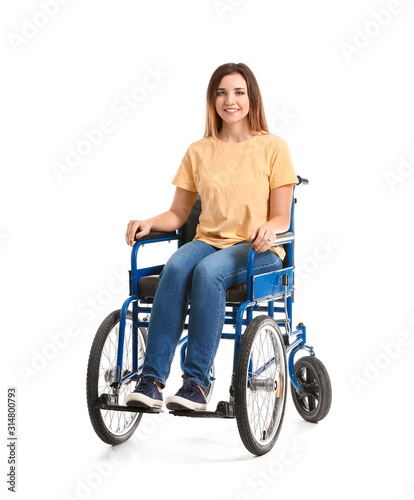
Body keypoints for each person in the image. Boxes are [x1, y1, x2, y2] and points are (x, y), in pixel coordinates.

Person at [124, 62, 298, 411]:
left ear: (251, 98)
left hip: (257, 248)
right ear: (212, 99)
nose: (229, 100)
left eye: (238, 92)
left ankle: (196, 385)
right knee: (175, 266)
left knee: (208, 273)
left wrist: (269, 227)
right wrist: (149, 221)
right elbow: (178, 214)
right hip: (207, 241)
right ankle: (152, 380)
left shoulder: (273, 147)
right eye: (221, 93)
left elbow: (282, 216)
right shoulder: (199, 151)